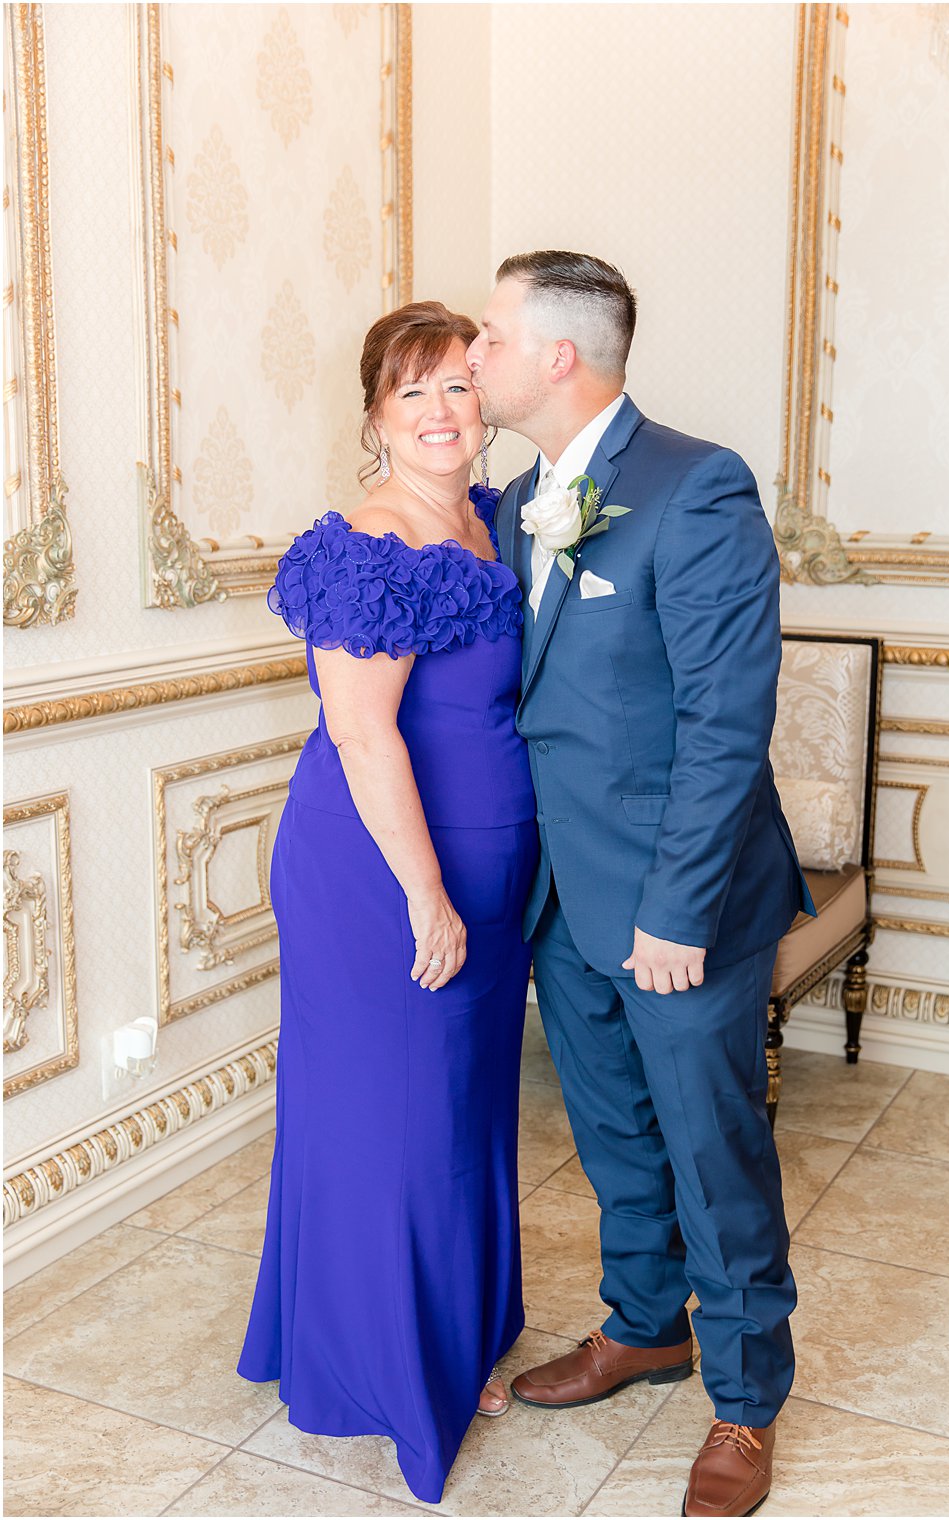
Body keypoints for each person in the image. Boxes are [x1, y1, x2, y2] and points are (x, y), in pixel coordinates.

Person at [465, 251, 816, 1520]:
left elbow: (727, 719)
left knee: (712, 1147)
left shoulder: (696, 485)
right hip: (561, 895)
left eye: (492, 333)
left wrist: (674, 906)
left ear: (560, 354)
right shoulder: (511, 503)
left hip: (683, 906)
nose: (475, 354)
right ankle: (640, 1324)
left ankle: (745, 1397)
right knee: (612, 1134)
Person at [237, 301, 538, 1505]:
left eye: (460, 385)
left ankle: (454, 1328)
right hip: (383, 872)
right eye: (411, 391)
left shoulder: (481, 521)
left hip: (484, 866)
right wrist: (428, 893)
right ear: (373, 414)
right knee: (397, 1120)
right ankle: (385, 1366)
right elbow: (363, 733)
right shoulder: (374, 540)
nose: (438, 412)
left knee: (458, 1114)